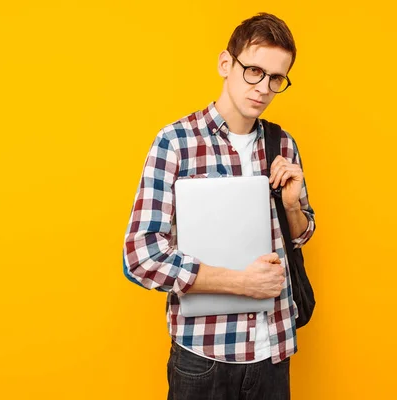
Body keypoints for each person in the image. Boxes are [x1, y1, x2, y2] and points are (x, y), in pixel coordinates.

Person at [123, 12, 316, 400]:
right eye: (253, 71)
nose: (263, 87)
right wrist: (241, 283)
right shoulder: (174, 142)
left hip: (274, 351)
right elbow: (141, 255)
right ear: (226, 64)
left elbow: (302, 233)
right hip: (204, 357)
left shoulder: (283, 144)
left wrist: (293, 207)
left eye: (275, 78)